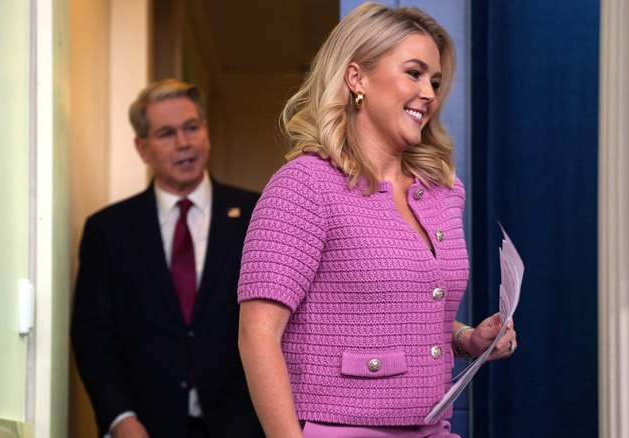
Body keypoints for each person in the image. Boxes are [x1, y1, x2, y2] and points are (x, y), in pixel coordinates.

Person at [236, 3, 518, 437]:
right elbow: (257, 335)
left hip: (431, 427)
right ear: (357, 79)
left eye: (436, 81)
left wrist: (467, 340)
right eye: (414, 73)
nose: (429, 92)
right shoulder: (304, 185)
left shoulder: (443, 191)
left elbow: (407, 311)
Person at [71, 78, 264, 438]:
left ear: (206, 132)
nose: (184, 143)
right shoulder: (108, 231)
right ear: (143, 148)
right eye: (166, 133)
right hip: (145, 426)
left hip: (242, 425)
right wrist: (120, 418)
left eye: (191, 128)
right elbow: (93, 336)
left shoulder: (259, 214)